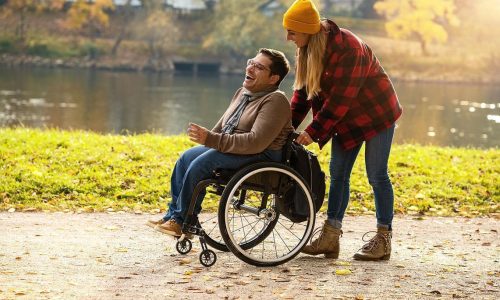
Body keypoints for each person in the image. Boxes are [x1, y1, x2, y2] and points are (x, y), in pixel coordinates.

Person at [282, 0, 402, 261]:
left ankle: (383, 239)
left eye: (292, 31)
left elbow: (339, 101)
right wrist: (287, 127)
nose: (288, 37)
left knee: (377, 174)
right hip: (346, 119)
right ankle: (330, 237)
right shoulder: (307, 50)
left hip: (376, 113)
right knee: (338, 174)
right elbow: (302, 94)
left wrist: (313, 131)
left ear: (307, 31)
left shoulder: (349, 48)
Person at [147, 48, 293, 237]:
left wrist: (212, 139)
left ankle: (182, 221)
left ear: (273, 78)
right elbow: (222, 127)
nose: (250, 68)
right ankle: (174, 217)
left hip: (262, 156)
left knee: (202, 163)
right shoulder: (243, 93)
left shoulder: (276, 101)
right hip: (237, 148)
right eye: (251, 62)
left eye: (258, 67)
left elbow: (256, 142)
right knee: (186, 158)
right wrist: (207, 138)